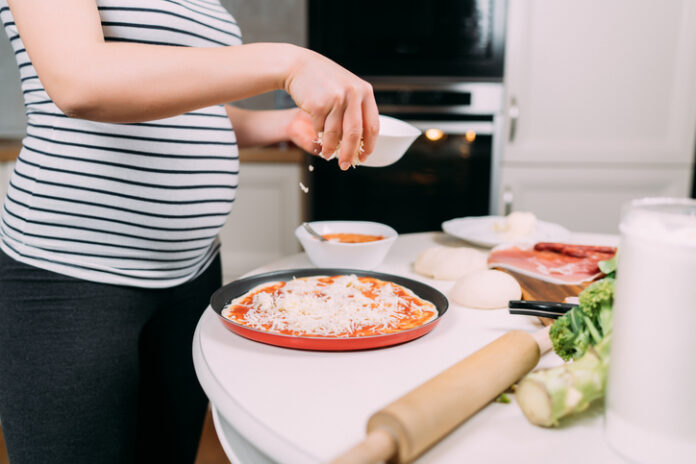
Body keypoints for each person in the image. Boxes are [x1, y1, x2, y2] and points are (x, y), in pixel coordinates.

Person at [0, 0, 379, 463]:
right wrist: (289, 61)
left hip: (192, 276)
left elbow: (190, 110)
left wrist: (283, 123)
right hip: (70, 280)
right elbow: (81, 80)